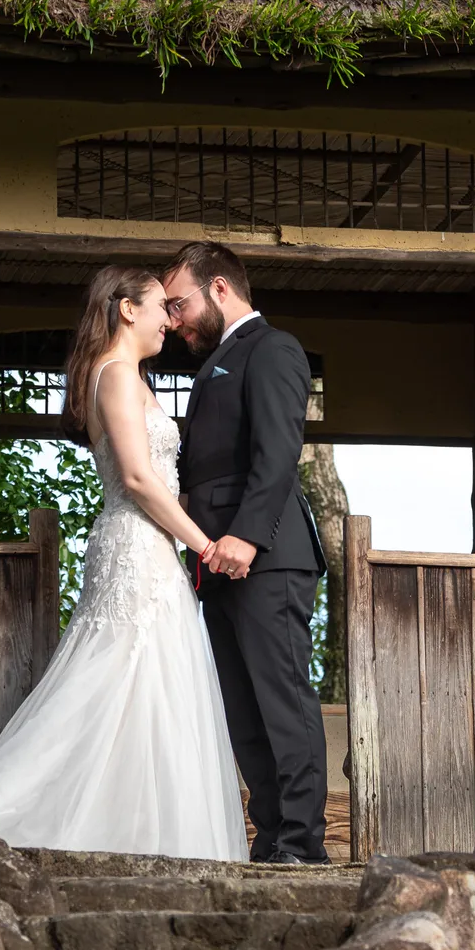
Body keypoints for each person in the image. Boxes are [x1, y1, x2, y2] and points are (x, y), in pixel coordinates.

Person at [0, 265, 248, 860]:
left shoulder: (129, 377)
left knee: (148, 691)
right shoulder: (115, 375)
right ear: (125, 310)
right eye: (158, 307)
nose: (170, 321)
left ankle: (137, 831)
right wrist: (205, 546)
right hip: (136, 547)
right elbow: (141, 480)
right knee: (114, 680)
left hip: (151, 550)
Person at [163, 242, 329, 864]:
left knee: (282, 697)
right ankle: (270, 837)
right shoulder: (215, 364)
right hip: (216, 563)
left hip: (267, 554)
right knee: (243, 708)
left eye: (180, 303)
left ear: (222, 289)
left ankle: (303, 845)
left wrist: (247, 535)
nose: (174, 319)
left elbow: (278, 452)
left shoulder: (273, 348)